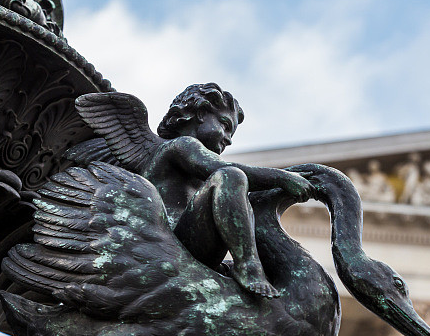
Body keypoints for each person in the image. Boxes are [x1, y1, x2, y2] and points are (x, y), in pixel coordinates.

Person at [70, 83, 314, 299]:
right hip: (171, 238)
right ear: (199, 114)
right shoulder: (180, 147)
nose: (228, 140)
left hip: (191, 243)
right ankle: (248, 266)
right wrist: (281, 177)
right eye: (225, 126)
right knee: (231, 176)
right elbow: (224, 169)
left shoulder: (198, 175)